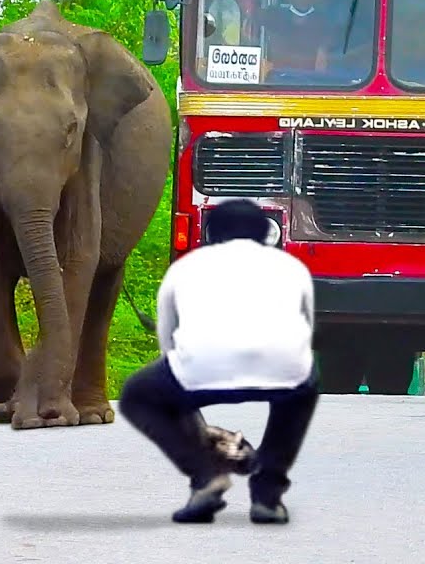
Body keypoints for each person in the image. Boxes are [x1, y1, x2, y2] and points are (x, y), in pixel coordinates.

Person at [118, 198, 320, 525]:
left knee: (139, 396)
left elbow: (167, 338)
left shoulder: (185, 267)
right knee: (302, 385)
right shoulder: (291, 267)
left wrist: (184, 385)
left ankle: (205, 475)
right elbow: (306, 327)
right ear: (265, 233)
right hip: (282, 370)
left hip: (199, 370)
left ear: (211, 234)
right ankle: (268, 497)